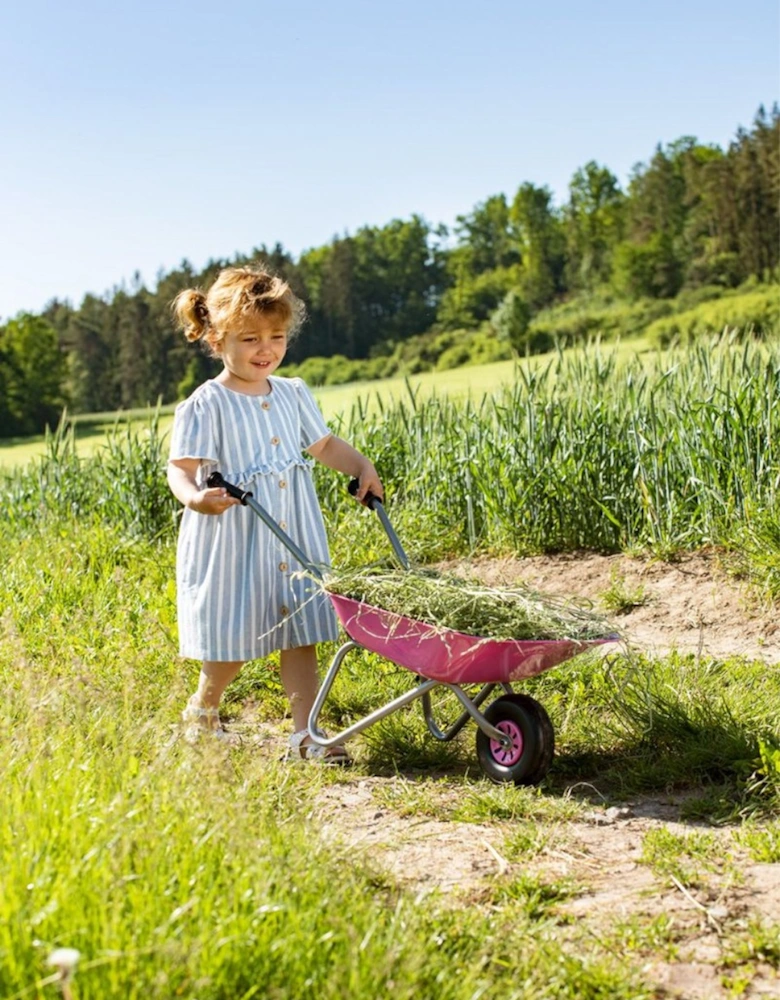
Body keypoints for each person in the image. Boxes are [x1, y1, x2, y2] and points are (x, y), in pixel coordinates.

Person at [167, 265, 383, 762]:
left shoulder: (291, 393)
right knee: (234, 640)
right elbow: (180, 470)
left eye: (277, 336)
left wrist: (361, 465)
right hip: (235, 540)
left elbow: (324, 444)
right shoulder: (206, 405)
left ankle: (306, 735)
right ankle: (203, 710)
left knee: (303, 629)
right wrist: (196, 498)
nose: (266, 349)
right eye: (250, 338)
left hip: (294, 534)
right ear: (217, 338)